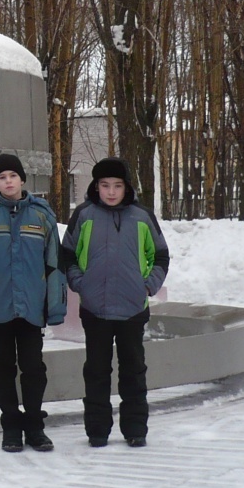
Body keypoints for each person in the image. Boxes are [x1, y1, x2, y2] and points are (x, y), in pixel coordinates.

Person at [0, 152, 67, 453]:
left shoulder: (42, 215)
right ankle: (11, 426)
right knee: (3, 366)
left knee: (34, 368)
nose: (8, 182)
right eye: (2, 177)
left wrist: (55, 307)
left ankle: (34, 426)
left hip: (31, 308)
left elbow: (55, 265)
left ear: (22, 180)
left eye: (12, 176)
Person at [60, 156, 170, 448]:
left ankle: (135, 429)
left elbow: (159, 255)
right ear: (96, 186)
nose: (111, 191)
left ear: (126, 187)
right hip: (95, 309)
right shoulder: (84, 215)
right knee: (96, 371)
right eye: (105, 185)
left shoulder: (142, 216)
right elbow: (67, 254)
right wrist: (80, 283)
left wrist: (147, 286)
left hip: (133, 308)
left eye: (117, 185)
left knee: (133, 370)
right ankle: (97, 430)